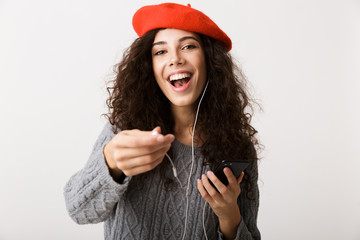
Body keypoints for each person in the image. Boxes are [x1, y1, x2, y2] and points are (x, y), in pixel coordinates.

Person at [64, 3, 261, 240]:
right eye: (160, 52)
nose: (175, 59)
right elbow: (78, 211)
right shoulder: (125, 130)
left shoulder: (239, 149)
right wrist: (111, 163)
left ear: (210, 61)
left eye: (188, 46)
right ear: (149, 67)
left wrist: (229, 216)